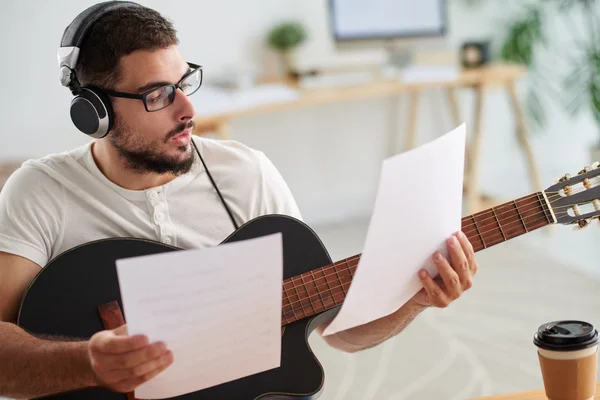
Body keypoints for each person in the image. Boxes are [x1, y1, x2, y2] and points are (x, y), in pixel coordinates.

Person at [0, 1, 479, 398]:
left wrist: (414, 299)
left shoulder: (245, 173)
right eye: (157, 95)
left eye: (184, 82)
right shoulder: (40, 192)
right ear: (95, 113)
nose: (189, 110)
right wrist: (87, 363)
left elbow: (339, 332)